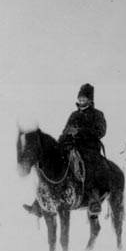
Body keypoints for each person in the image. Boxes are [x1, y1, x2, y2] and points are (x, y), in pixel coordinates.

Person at [23, 83, 107, 217]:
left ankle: (92, 198)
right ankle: (41, 201)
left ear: (90, 100)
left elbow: (101, 131)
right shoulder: (74, 115)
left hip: (88, 148)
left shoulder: (97, 115)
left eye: (84, 99)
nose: (81, 101)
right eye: (80, 99)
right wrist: (60, 142)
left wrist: (80, 131)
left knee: (87, 165)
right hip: (71, 146)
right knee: (54, 161)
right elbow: (65, 130)